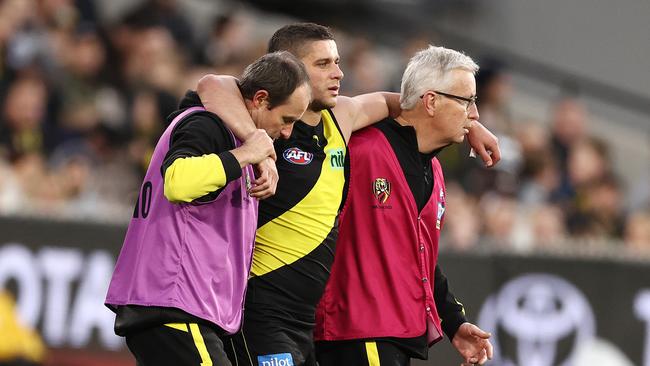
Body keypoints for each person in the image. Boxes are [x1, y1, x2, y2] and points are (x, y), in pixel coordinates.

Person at [197, 23, 501, 366]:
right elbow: (212, 85)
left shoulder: (339, 123)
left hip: (311, 322)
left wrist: (468, 121)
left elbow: (401, 104)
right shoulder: (274, 127)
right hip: (278, 312)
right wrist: (257, 147)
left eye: (338, 62)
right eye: (324, 64)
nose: (339, 73)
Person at [104, 51, 311, 366]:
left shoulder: (233, 134)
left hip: (184, 308)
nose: (286, 133)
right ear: (260, 99)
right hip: (174, 305)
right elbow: (177, 181)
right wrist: (246, 154)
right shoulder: (207, 124)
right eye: (286, 120)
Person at [314, 45, 493, 366]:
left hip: (393, 336)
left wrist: (453, 321)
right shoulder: (359, 148)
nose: (476, 115)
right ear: (431, 101)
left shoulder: (435, 169)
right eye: (468, 102)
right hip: (353, 333)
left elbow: (417, 255)